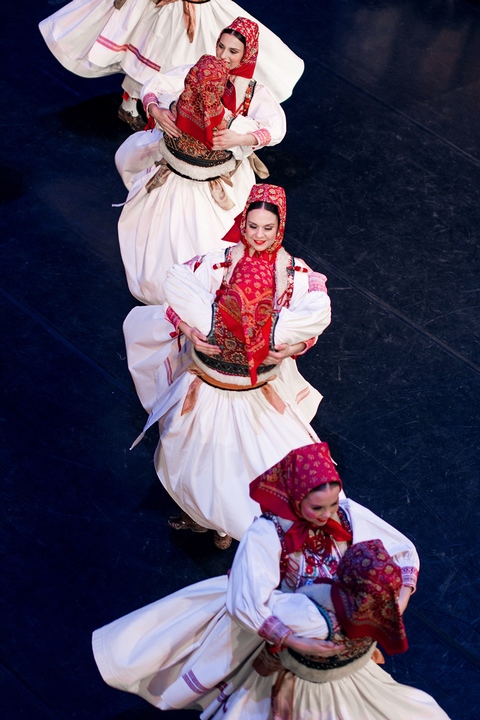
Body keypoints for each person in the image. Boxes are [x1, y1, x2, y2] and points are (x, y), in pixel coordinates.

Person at [92, 443, 450, 718]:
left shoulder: (345, 514)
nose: (327, 515)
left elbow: (398, 549)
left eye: (332, 505)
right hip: (277, 623)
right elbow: (250, 600)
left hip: (333, 620)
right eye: (317, 508)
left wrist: (395, 599)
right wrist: (294, 637)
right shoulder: (267, 533)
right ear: (295, 498)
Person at [123, 184, 331, 546]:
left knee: (242, 459)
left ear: (280, 227)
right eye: (253, 226)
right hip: (209, 380)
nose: (260, 235)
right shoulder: (219, 261)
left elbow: (312, 327)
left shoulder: (295, 274)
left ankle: (224, 522)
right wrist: (188, 328)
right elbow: (175, 298)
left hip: (259, 387)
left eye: (268, 228)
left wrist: (289, 348)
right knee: (195, 452)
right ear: (243, 222)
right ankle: (201, 513)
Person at [116, 17, 287, 304]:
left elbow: (276, 128)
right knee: (162, 237)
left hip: (216, 180)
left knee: (207, 241)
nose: (223, 56)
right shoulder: (196, 72)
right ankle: (168, 288)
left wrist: (240, 138)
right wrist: (155, 110)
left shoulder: (252, 93)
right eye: (221, 47)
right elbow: (155, 85)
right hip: (176, 176)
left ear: (247, 55)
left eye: (233, 51)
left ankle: (195, 292)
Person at [38, 0, 303, 130]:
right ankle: (132, 105)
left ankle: (172, 109)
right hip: (163, 13)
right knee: (147, 60)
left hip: (192, 13)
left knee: (183, 61)